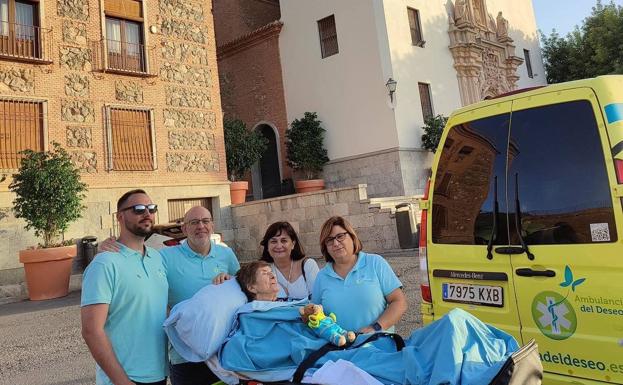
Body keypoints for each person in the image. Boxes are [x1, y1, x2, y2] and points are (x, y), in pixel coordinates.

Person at [99, 205, 240, 385]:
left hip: (225, 351)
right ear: (184, 228)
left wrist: (230, 280)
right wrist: (106, 250)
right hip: (185, 354)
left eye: (205, 221)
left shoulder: (226, 254)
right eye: (194, 222)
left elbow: (245, 288)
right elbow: (135, 265)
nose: (200, 226)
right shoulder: (164, 257)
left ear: (212, 225)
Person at [81, 189, 168, 385]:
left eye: (151, 208)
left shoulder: (157, 258)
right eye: (138, 209)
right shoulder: (104, 264)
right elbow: (91, 331)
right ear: (120, 217)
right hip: (125, 378)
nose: (147, 214)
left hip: (159, 374)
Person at [311, 216, 408, 333]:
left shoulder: (375, 263)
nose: (336, 243)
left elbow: (399, 302)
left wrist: (375, 328)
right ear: (325, 247)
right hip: (339, 348)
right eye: (329, 240)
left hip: (378, 345)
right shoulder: (322, 277)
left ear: (352, 237)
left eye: (340, 236)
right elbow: (316, 316)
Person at [259, 221, 319, 300]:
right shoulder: (263, 271)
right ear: (267, 246)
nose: (279, 246)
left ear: (293, 244)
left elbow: (318, 299)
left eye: (284, 241)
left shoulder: (308, 265)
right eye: (274, 241)